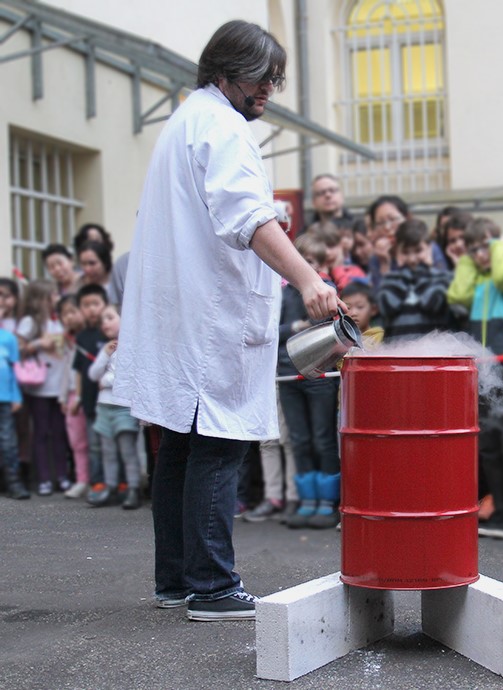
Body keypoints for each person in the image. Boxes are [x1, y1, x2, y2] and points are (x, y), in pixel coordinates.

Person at [115, 20, 340, 622]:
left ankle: (176, 580)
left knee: (181, 448)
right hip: (210, 315)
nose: (268, 88)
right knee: (218, 443)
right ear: (224, 70)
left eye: (274, 79)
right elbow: (247, 217)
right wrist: (310, 280)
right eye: (260, 76)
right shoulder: (222, 127)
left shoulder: (185, 122)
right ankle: (212, 586)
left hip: (183, 312)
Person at [447, 217, 503, 539]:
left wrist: (496, 244)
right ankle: (501, 508)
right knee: (490, 444)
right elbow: (458, 294)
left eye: (485, 246)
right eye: (473, 250)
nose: (480, 254)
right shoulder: (478, 281)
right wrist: (470, 262)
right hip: (485, 372)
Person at [278, 233, 341, 530]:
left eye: (313, 263)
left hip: (319, 374)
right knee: (299, 440)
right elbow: (269, 331)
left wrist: (297, 330)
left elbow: (331, 329)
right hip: (287, 373)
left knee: (322, 437)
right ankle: (307, 501)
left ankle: (328, 502)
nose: (308, 268)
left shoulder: (328, 290)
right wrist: (294, 327)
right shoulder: (280, 294)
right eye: (302, 261)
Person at [16, 280, 69, 496]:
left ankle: (63, 476)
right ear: (40, 300)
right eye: (51, 296)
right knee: (40, 432)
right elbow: (18, 349)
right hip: (39, 386)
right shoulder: (30, 321)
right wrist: (39, 344)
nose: (56, 299)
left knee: (59, 433)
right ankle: (44, 479)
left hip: (61, 386)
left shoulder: (61, 319)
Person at [87, 305, 142, 509]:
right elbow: (93, 374)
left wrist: (107, 379)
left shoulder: (131, 346)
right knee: (107, 451)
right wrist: (104, 355)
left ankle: (133, 488)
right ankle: (110, 488)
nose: (105, 323)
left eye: (110, 317)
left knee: (127, 451)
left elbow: (128, 375)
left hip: (122, 406)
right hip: (104, 407)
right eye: (102, 320)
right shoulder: (108, 348)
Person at [377, 219, 452, 341]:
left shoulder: (440, 278)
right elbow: (387, 307)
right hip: (397, 351)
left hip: (432, 350)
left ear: (429, 248)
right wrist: (404, 274)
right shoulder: (391, 279)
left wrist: (422, 272)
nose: (412, 259)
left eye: (418, 250)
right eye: (405, 252)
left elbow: (433, 304)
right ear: (397, 252)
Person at [71, 284, 108, 503]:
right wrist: (77, 396)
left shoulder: (111, 332)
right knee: (94, 445)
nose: (92, 309)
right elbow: (78, 370)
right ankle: (98, 482)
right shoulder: (82, 337)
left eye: (96, 304)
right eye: (86, 305)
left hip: (111, 401)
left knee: (115, 445)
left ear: (104, 305)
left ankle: (120, 483)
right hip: (89, 401)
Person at [56, 295, 89, 499]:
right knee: (77, 442)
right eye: (63, 314)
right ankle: (83, 479)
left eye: (72, 311)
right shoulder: (67, 341)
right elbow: (65, 371)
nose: (68, 318)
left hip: (90, 396)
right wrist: (62, 397)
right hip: (71, 396)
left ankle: (106, 482)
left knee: (99, 443)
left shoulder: (92, 337)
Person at [0, 303, 27, 499]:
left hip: (5, 399)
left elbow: (13, 371)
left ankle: (13, 482)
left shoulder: (8, 339)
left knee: (8, 441)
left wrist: (16, 396)